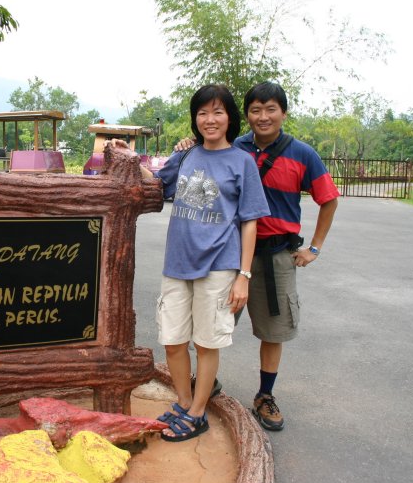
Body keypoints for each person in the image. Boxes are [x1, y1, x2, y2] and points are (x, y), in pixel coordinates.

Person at [175, 81, 339, 431]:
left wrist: (314, 248)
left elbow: (329, 198)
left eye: (270, 109)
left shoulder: (302, 153)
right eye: (255, 109)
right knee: (211, 327)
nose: (263, 117)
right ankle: (206, 384)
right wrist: (187, 146)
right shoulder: (234, 148)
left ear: (283, 112)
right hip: (228, 252)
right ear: (245, 115)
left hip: (278, 253)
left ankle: (265, 395)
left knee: (272, 331)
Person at [123, 84, 270, 442]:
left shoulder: (242, 162)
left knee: (206, 343)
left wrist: (244, 275)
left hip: (219, 265)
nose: (210, 119)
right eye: (203, 113)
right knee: (173, 341)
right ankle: (185, 404)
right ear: (195, 119)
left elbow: (250, 221)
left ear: (230, 118)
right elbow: (156, 184)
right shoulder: (186, 156)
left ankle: (198, 412)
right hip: (177, 262)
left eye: (218, 112)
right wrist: (128, 158)